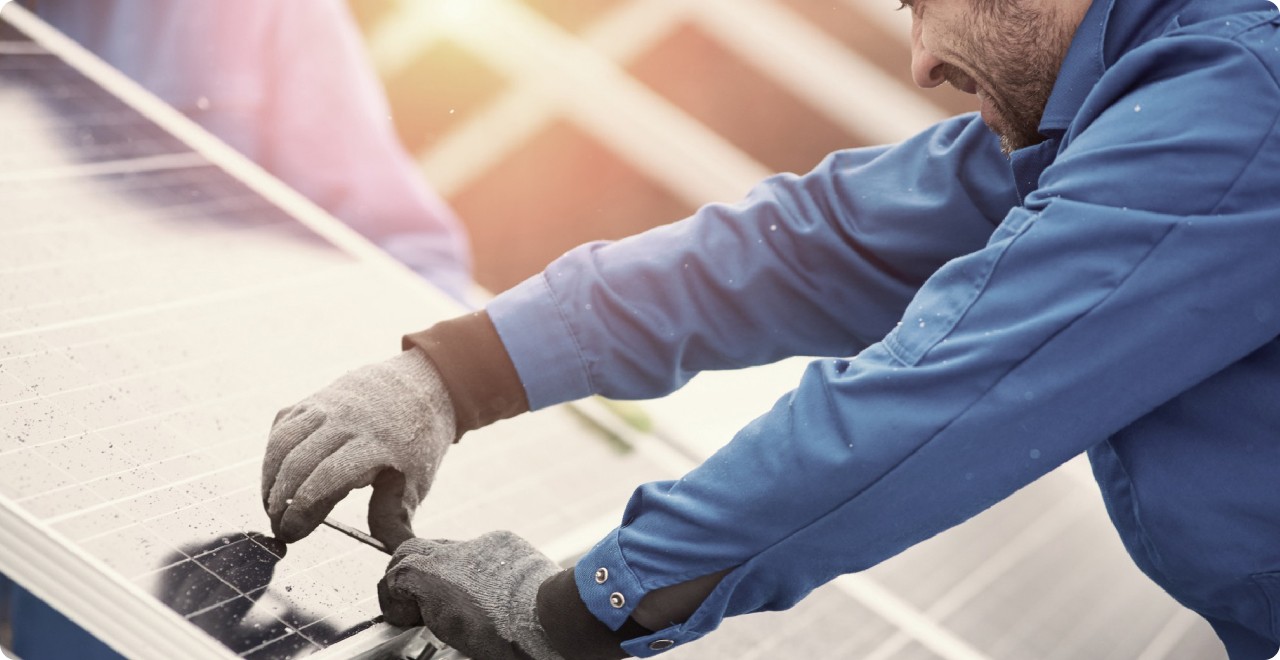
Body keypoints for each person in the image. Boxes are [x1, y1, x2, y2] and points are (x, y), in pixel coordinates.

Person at [262, 0, 1280, 658]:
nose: (921, 64)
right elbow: (807, 245)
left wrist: (577, 606)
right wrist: (453, 376)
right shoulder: (1142, 104)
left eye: (924, 4)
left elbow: (939, 398)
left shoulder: (1234, 113)